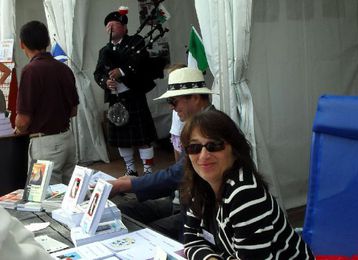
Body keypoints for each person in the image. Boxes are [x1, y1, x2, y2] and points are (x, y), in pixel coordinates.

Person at [180, 110, 314, 259]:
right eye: (194, 148)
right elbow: (192, 240)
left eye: (214, 145)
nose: (204, 155)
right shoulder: (201, 186)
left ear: (234, 149)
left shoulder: (245, 194)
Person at [110, 67, 215, 241]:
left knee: (143, 235)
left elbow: (177, 175)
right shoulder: (199, 124)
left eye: (174, 102)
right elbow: (177, 173)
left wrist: (129, 185)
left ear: (195, 98)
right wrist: (135, 183)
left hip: (198, 212)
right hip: (179, 201)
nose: (172, 108)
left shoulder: (210, 128)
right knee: (120, 213)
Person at [94, 10, 157, 176]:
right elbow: (98, 73)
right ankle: (130, 169)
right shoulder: (104, 50)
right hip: (116, 99)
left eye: (114, 24)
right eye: (108, 25)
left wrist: (121, 72)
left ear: (124, 28)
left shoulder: (136, 42)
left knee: (143, 138)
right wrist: (105, 82)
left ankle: (148, 170)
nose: (110, 27)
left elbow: (140, 60)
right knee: (123, 140)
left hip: (134, 96)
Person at [15, 21, 79, 184]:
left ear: (22, 44)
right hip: (67, 138)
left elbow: (23, 120)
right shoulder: (64, 68)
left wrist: (18, 128)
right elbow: (73, 111)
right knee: (69, 197)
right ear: (48, 42)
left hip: (45, 144)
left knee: (45, 198)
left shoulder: (30, 71)